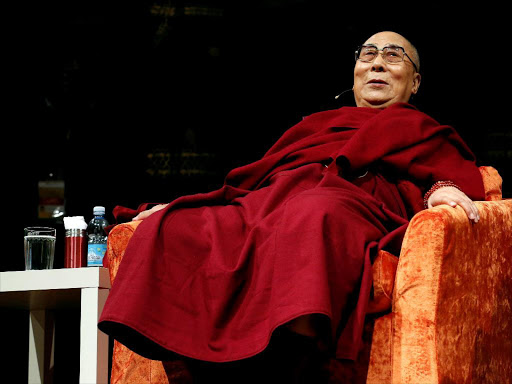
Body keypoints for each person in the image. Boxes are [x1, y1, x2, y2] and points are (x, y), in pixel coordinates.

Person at [98, 31, 484, 383]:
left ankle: (292, 365)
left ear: (415, 82)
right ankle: (205, 361)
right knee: (178, 226)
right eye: (367, 55)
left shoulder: (425, 130)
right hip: (281, 199)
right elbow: (256, 179)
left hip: (356, 201)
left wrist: (439, 191)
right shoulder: (318, 125)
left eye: (393, 56)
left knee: (313, 213)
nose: (377, 63)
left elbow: (449, 171)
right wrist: (190, 204)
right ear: (354, 73)